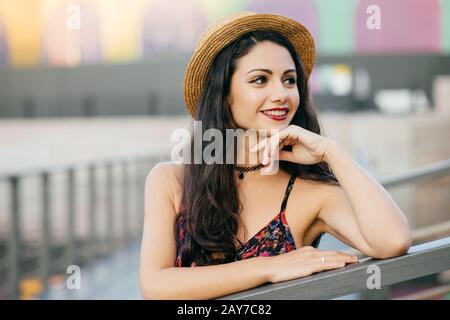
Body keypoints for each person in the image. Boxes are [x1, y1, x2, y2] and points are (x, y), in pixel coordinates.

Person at [139, 11, 412, 300]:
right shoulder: (170, 180)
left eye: (289, 80)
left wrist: (333, 152)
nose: (281, 94)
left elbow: (393, 241)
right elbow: (156, 286)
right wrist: (268, 268)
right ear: (224, 93)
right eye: (260, 80)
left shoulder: (312, 192)